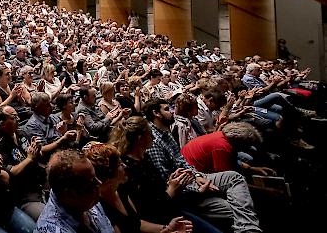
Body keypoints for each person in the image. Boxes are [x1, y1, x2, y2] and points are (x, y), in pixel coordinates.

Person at [143, 99, 262, 233]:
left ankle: (248, 229)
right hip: (183, 191)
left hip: (192, 177)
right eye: (166, 109)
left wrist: (197, 175)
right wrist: (198, 189)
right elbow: (167, 181)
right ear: (156, 113)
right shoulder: (152, 141)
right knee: (235, 210)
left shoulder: (165, 132)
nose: (172, 112)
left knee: (235, 178)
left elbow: (181, 160)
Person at [85, 142, 194, 233]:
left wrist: (167, 228)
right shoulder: (101, 207)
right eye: (119, 164)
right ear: (107, 177)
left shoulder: (121, 189)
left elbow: (138, 224)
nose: (125, 166)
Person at [0, 106, 47, 221]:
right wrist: (29, 158)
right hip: (24, 193)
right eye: (14, 117)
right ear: (2, 123)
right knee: (47, 218)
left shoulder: (21, 133)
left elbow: (37, 157)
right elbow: (12, 173)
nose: (19, 119)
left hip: (40, 180)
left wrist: (37, 150)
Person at [35, 149, 114, 233]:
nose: (99, 183)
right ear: (70, 194)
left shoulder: (87, 200)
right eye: (92, 182)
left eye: (95, 177)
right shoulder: (53, 229)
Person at [181, 122, 276, 176]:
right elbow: (226, 176)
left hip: (193, 163)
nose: (246, 148)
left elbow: (232, 160)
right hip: (193, 171)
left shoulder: (221, 136)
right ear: (239, 141)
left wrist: (253, 169)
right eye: (246, 145)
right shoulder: (223, 147)